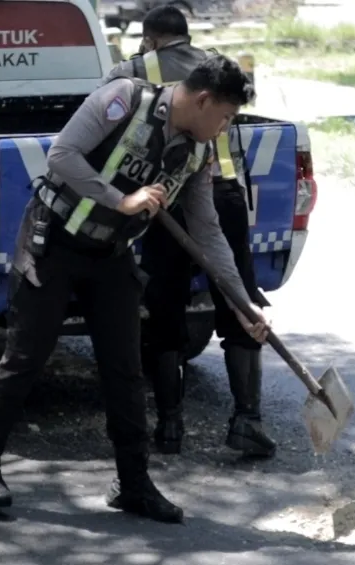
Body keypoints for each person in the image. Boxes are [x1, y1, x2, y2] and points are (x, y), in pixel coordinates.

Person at [0, 55, 269, 524]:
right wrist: (120, 199)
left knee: (125, 370)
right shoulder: (123, 99)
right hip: (54, 244)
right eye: (225, 116)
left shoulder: (199, 153)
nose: (225, 128)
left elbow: (207, 234)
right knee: (25, 358)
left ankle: (133, 483)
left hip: (111, 258)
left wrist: (242, 304)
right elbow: (62, 155)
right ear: (204, 100)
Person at [107, 5, 277, 459]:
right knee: (238, 296)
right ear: (186, 35)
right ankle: (247, 419)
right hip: (223, 192)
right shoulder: (218, 67)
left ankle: (169, 426)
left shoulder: (134, 69)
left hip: (166, 197)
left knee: (166, 305)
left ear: (152, 38)